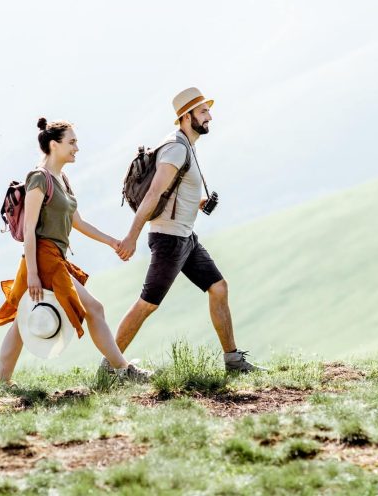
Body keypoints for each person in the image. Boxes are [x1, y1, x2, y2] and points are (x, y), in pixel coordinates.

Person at [112, 87, 265, 373]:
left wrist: (198, 203)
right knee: (147, 304)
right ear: (186, 116)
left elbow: (174, 191)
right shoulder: (176, 148)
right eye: (203, 111)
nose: (210, 117)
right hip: (169, 239)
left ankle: (233, 361)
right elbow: (154, 193)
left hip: (185, 237)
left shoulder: (186, 145)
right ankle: (110, 366)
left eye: (208, 111)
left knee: (218, 287)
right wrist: (131, 237)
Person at [0, 118, 152, 384]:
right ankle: (123, 371)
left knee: (21, 319)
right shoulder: (38, 179)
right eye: (72, 142)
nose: (77, 148)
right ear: (54, 145)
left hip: (54, 256)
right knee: (94, 308)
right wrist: (33, 273)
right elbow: (30, 230)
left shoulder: (62, 179)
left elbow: (78, 222)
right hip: (42, 257)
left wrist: (111, 241)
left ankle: (2, 382)